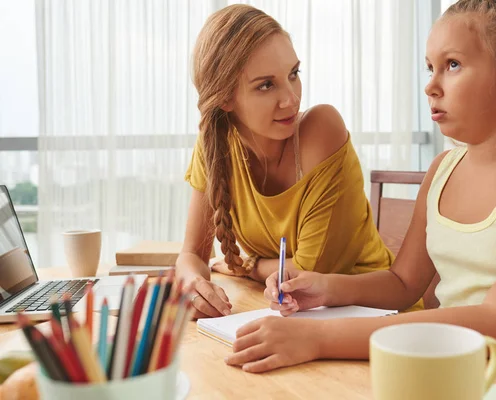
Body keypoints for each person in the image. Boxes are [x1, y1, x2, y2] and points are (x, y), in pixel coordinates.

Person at [226, 0, 496, 374]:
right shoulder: (442, 170)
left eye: (452, 65)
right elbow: (403, 283)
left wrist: (319, 338)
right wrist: (326, 288)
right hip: (458, 372)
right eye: (430, 68)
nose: (431, 86)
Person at [175, 4, 423, 319]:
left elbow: (306, 272)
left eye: (293, 74)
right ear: (225, 97)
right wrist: (191, 281)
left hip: (376, 317)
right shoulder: (214, 144)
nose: (291, 98)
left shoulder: (322, 130)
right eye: (266, 85)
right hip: (295, 317)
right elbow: (193, 255)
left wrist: (246, 265)